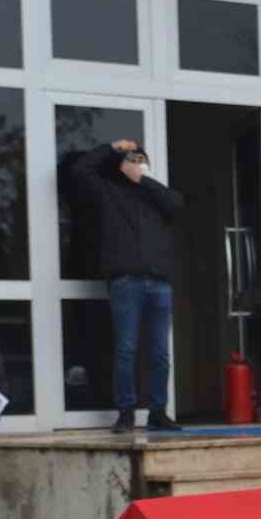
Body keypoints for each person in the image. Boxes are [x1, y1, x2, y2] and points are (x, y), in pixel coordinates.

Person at [67, 139, 186, 433]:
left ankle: (158, 412)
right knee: (126, 350)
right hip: (126, 282)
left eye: (141, 160)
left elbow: (177, 203)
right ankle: (126, 413)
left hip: (159, 284)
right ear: (121, 165)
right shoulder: (108, 193)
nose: (137, 164)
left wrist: (143, 180)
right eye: (132, 160)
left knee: (159, 353)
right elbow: (79, 171)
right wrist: (110, 148)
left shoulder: (154, 195)